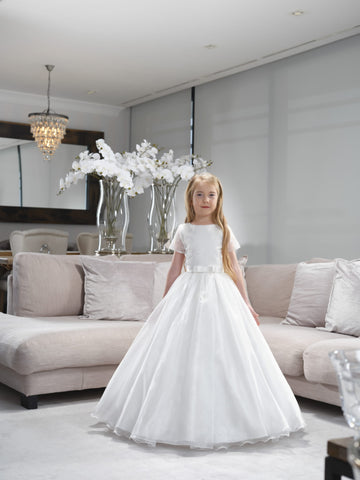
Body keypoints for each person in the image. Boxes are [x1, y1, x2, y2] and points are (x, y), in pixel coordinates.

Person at [92, 173, 305, 449]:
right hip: (188, 290)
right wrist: (165, 301)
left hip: (220, 291)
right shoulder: (184, 231)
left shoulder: (223, 230)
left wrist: (248, 303)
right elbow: (174, 268)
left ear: (219, 199)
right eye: (199, 195)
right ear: (190, 199)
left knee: (226, 351)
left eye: (211, 195)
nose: (206, 200)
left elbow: (236, 270)